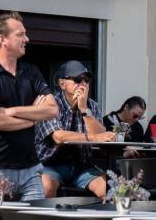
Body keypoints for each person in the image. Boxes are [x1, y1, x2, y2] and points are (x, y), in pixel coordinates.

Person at [0, 11, 59, 201]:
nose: (27, 38)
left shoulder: (31, 72)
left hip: (31, 168)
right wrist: (34, 118)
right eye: (20, 34)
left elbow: (52, 110)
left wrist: (12, 111)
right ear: (2, 39)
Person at [34, 61, 114, 199]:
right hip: (51, 164)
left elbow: (101, 136)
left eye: (86, 80)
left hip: (82, 165)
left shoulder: (92, 106)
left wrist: (84, 110)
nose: (83, 84)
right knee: (46, 189)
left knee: (110, 190)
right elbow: (58, 136)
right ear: (62, 84)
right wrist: (93, 137)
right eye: (77, 79)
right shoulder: (50, 104)